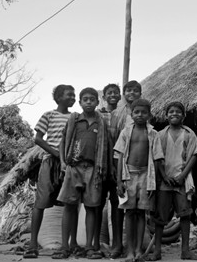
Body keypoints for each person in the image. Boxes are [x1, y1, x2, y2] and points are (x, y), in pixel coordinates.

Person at [53, 88, 110, 259]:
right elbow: (63, 143)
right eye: (85, 99)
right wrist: (63, 163)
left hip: (93, 168)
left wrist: (103, 169)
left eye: (92, 99)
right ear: (80, 102)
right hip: (74, 167)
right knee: (69, 206)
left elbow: (105, 147)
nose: (89, 102)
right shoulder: (74, 120)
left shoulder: (101, 123)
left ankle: (90, 247)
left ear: (97, 102)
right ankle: (65, 246)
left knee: (92, 208)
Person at [24, 85, 76, 259]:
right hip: (49, 162)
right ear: (59, 97)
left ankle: (67, 245)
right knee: (41, 202)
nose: (73, 97)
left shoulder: (75, 117)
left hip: (67, 164)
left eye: (74, 95)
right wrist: (55, 153)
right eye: (70, 95)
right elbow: (38, 138)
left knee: (70, 203)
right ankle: (33, 245)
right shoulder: (49, 115)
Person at [148, 101, 197, 261]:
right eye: (171, 112)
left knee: (185, 214)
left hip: (182, 181)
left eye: (178, 112)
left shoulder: (189, 134)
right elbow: (156, 157)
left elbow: (194, 155)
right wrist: (164, 177)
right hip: (164, 182)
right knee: (160, 217)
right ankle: (157, 251)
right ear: (166, 116)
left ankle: (185, 251)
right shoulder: (160, 135)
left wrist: (182, 176)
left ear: (184, 115)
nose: (174, 114)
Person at [114, 99, 157, 262]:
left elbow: (157, 158)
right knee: (130, 213)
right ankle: (130, 251)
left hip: (146, 175)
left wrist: (154, 182)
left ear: (149, 115)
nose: (140, 115)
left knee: (141, 213)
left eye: (143, 112)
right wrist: (119, 181)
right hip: (129, 174)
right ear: (131, 114)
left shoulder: (153, 133)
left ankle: (139, 250)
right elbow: (119, 156)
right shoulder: (125, 131)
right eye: (136, 112)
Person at [108, 80, 142, 258]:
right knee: (117, 204)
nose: (131, 93)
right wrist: (115, 167)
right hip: (120, 162)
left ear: (140, 93)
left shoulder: (143, 112)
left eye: (135, 91)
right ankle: (117, 244)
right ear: (124, 93)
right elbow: (113, 140)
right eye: (128, 90)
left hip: (139, 167)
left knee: (136, 208)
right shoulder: (116, 114)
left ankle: (135, 246)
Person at [97, 83, 121, 254]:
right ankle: (96, 243)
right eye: (109, 93)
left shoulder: (124, 114)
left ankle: (117, 244)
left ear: (120, 97)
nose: (113, 95)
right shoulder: (98, 115)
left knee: (116, 203)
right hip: (101, 163)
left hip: (119, 164)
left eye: (116, 93)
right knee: (97, 203)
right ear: (104, 97)